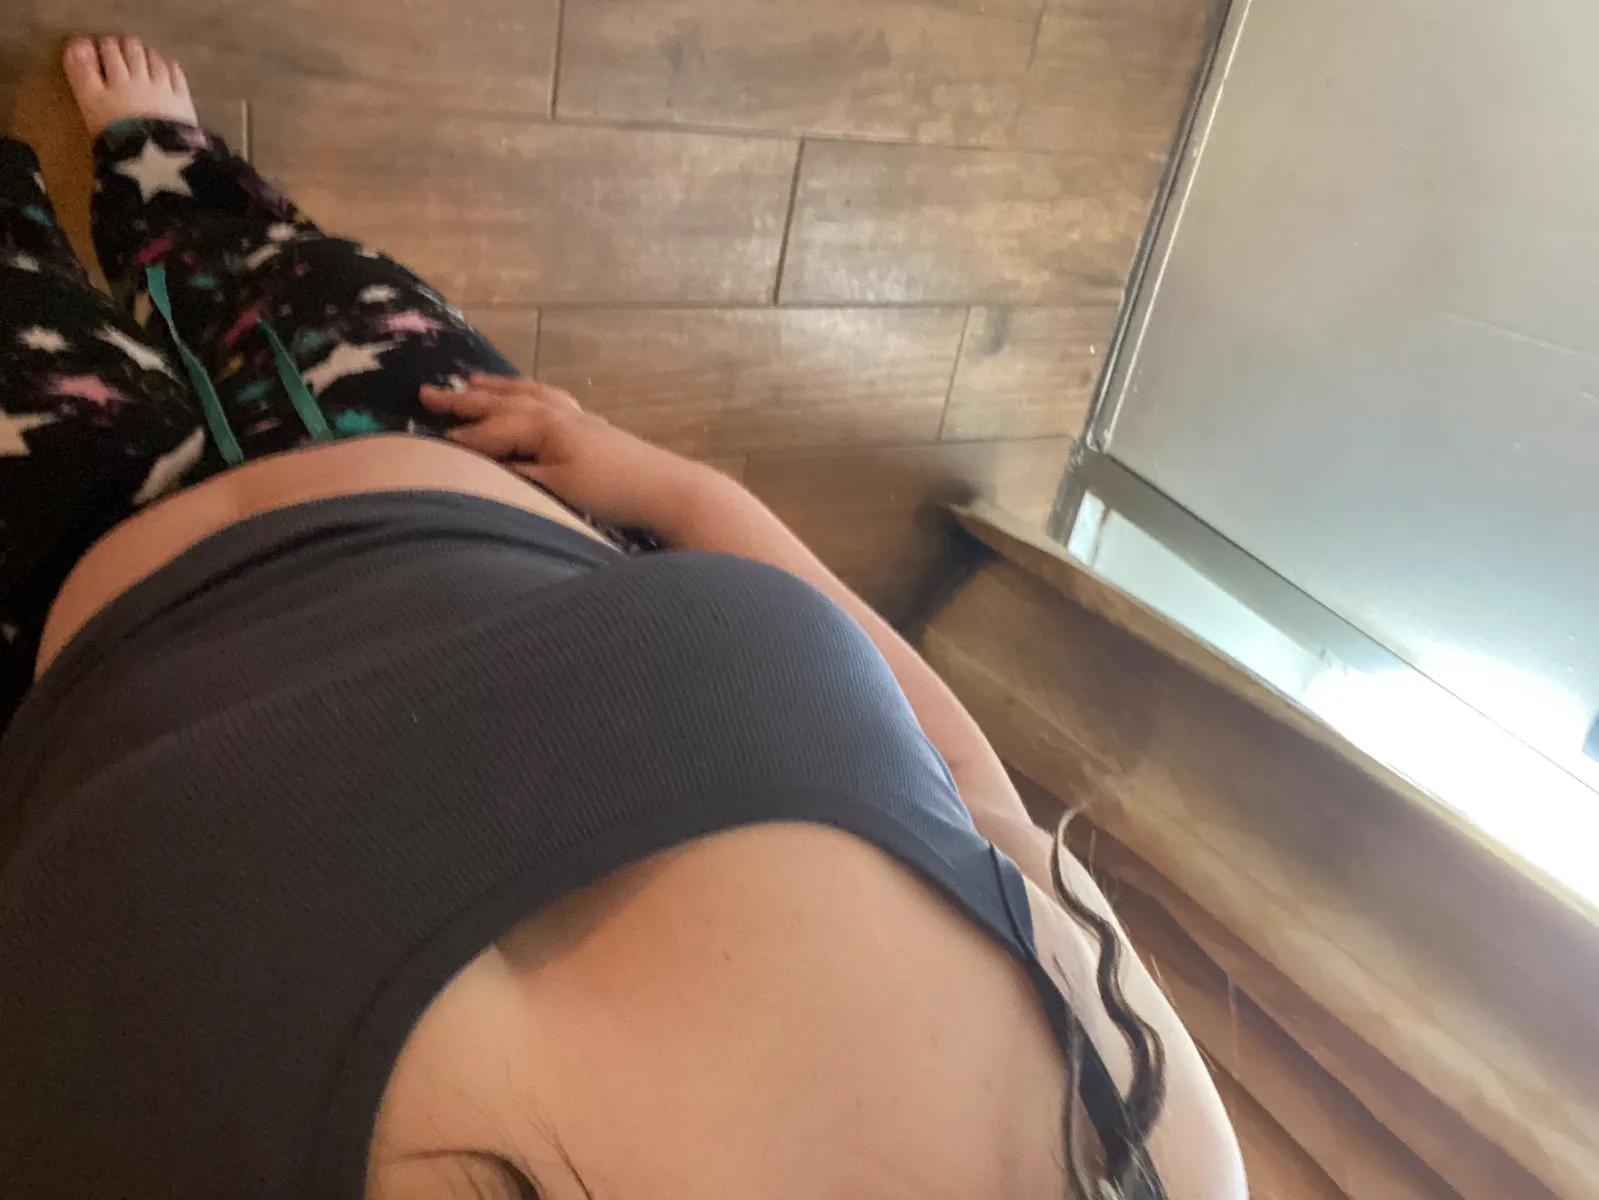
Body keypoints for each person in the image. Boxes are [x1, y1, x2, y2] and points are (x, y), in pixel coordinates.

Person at [0, 36, 1245, 1200]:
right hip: (472, 466)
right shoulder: (1167, 1157)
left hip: (61, 578)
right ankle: (165, 170)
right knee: (264, 256)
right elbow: (966, 782)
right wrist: (678, 491)